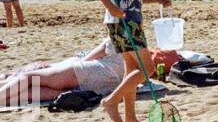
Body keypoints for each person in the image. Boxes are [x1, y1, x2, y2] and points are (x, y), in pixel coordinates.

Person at [0, 44, 179, 107]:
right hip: (93, 89)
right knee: (31, 93)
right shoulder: (146, 71)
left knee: (29, 78)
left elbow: (101, 49)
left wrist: (80, 62)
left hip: (84, 72)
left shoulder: (129, 38)